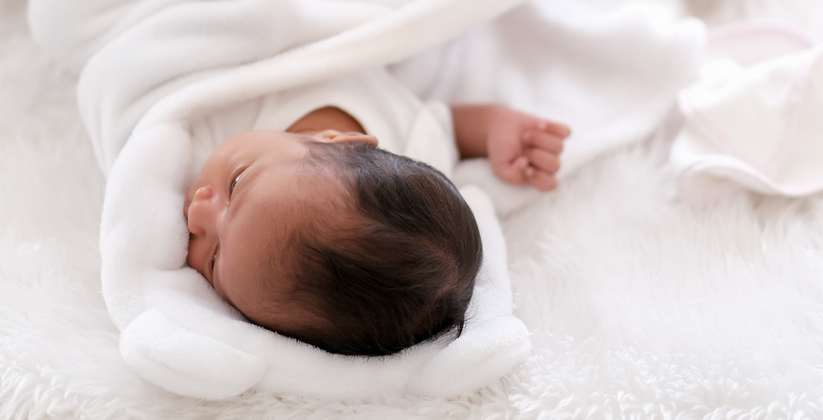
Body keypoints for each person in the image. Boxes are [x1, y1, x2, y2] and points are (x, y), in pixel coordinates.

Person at [184, 99, 570, 356]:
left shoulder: (199, 132)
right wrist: (490, 126)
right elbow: (444, 121)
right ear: (338, 140)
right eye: (236, 183)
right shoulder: (412, 134)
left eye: (214, 260)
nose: (197, 213)